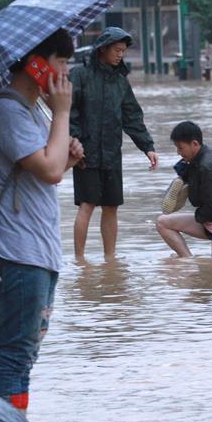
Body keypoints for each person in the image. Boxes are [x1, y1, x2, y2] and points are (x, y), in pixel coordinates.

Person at [0, 29, 84, 413]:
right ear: (35, 63)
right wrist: (63, 113)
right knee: (12, 357)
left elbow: (50, 170)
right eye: (62, 62)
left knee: (24, 358)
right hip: (18, 253)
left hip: (37, 251)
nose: (66, 73)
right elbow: (50, 172)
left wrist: (66, 154)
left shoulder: (30, 111)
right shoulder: (6, 112)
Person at [69, 27, 157, 259]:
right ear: (103, 48)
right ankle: (80, 260)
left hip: (111, 154)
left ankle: (111, 259)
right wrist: (75, 142)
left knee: (111, 207)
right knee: (86, 205)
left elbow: (132, 117)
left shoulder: (120, 81)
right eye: (117, 50)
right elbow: (70, 112)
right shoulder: (80, 74)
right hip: (85, 154)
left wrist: (148, 147)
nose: (120, 55)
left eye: (123, 51)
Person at [156, 121, 212, 258]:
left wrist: (198, 216)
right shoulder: (200, 157)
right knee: (162, 222)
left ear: (194, 144)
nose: (178, 152)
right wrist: (182, 180)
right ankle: (188, 261)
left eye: (181, 148)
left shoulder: (206, 166)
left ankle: (195, 265)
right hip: (209, 221)